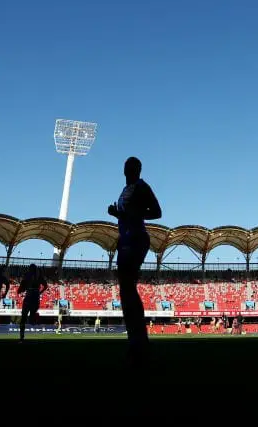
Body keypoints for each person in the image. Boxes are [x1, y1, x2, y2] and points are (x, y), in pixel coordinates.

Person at [108, 156, 161, 364]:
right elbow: (127, 214)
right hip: (126, 238)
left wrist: (135, 212)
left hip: (136, 238)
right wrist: (116, 213)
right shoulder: (125, 189)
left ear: (138, 169)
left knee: (128, 288)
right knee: (126, 290)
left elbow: (157, 212)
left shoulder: (141, 187)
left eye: (132, 166)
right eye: (126, 166)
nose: (128, 169)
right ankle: (136, 340)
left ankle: (138, 341)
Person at [17, 264, 47, 342]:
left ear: (30, 269)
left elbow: (21, 287)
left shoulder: (27, 276)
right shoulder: (39, 276)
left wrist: (20, 290)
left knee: (23, 317)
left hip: (29, 297)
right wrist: (40, 292)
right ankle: (33, 318)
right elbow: (45, 285)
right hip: (35, 297)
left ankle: (21, 337)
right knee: (31, 314)